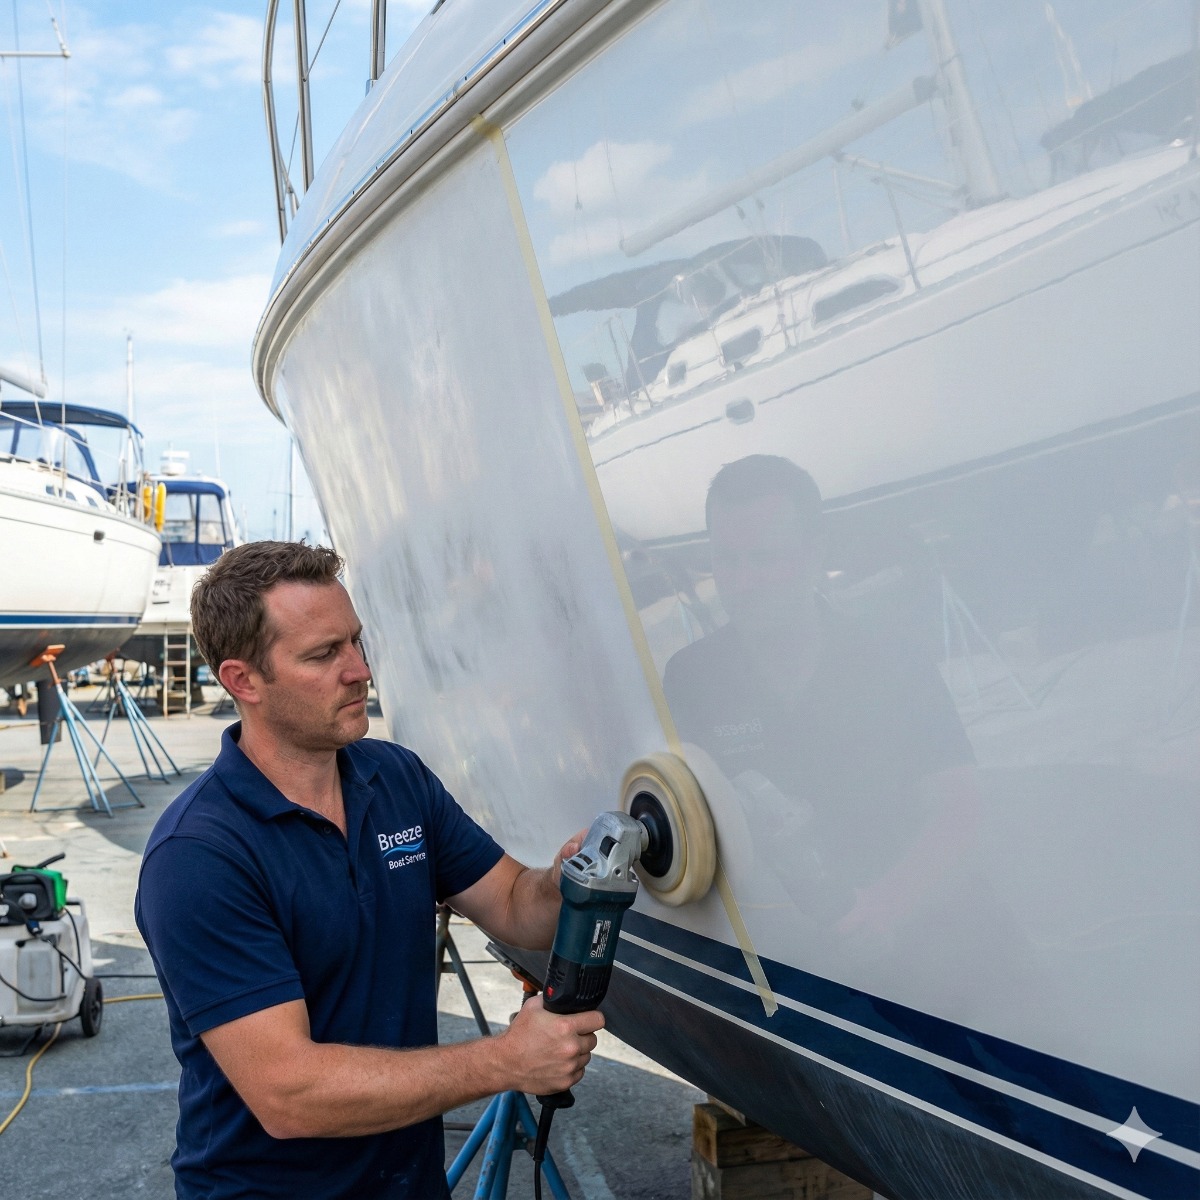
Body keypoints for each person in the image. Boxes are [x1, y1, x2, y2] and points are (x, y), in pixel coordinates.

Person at [135, 542, 602, 1199]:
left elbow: (515, 906)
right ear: (244, 681)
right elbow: (289, 1093)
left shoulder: (394, 780)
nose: (359, 670)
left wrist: (568, 878)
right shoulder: (200, 856)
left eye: (356, 641)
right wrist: (504, 1061)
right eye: (325, 654)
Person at [663, 456, 982, 949]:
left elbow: (960, 803)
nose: (742, 583)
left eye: (764, 558)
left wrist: (888, 904)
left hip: (915, 925)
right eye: (728, 559)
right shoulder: (691, 678)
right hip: (782, 952)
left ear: (814, 555)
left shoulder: (891, 658)